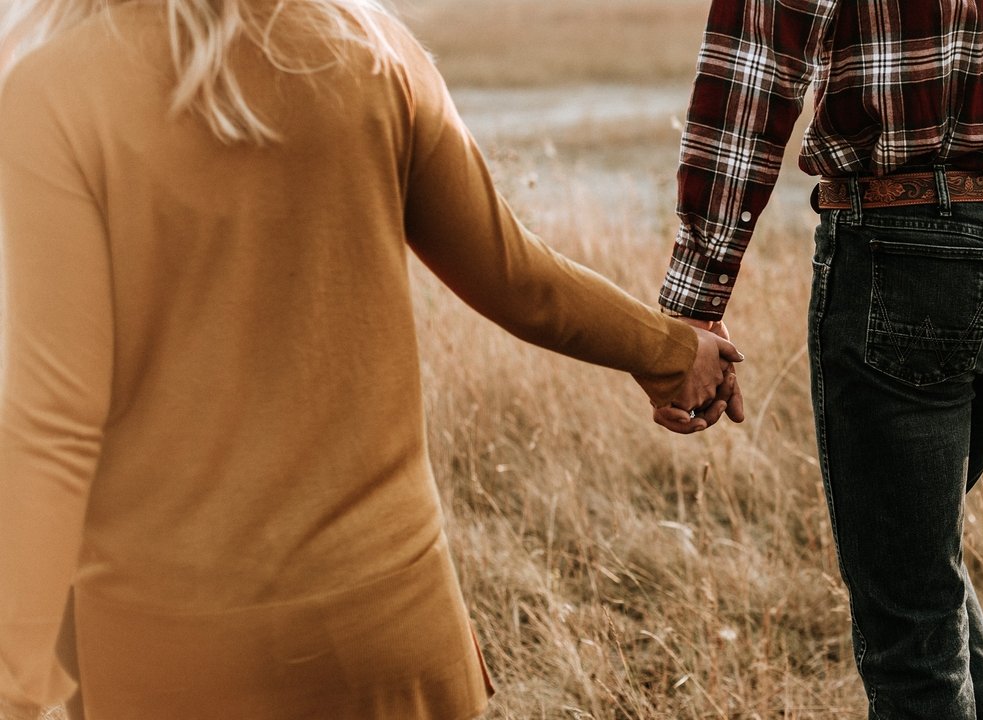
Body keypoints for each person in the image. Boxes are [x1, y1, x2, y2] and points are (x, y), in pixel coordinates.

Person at [0, 0, 744, 717]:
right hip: (392, 629)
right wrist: (672, 352)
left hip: (174, 651)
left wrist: (13, 684)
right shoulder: (373, 52)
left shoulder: (57, 90)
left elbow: (51, 428)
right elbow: (519, 279)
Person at [658, 0, 983, 717]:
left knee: (913, 628)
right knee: (922, 567)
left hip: (907, 264)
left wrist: (696, 297)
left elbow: (758, 62)